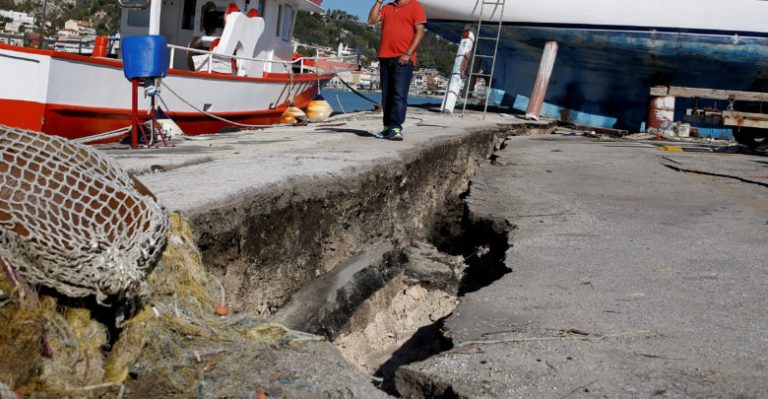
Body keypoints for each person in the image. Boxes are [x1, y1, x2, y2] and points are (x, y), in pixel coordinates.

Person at [368, 0, 427, 141]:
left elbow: (420, 32)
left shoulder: (415, 6)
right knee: (386, 96)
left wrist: (408, 53)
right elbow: (371, 20)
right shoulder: (388, 7)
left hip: (403, 58)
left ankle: (396, 127)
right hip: (385, 57)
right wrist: (379, 1)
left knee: (399, 95)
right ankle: (387, 128)